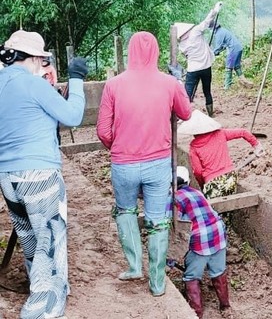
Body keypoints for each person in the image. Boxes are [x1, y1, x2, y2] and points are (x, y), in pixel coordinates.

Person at [96, 31, 192, 296]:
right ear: (157, 52)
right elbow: (186, 112)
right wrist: (179, 81)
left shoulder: (114, 84)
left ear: (130, 51)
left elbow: (103, 130)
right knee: (158, 221)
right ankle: (158, 283)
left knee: (125, 211)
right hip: (159, 164)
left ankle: (134, 265)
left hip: (123, 164)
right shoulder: (169, 83)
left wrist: (117, 147)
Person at [0, 30, 88, 318]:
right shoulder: (33, 84)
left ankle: (42, 284)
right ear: (37, 58)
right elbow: (73, 116)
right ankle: (42, 307)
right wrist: (76, 79)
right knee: (49, 239)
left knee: (29, 236)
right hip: (39, 175)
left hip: (7, 177)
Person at [174, 166, 230, 318]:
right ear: (187, 181)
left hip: (200, 240)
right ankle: (225, 306)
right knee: (218, 271)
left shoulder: (174, 199)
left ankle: (196, 313)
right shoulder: (197, 192)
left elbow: (175, 226)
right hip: (218, 233)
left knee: (191, 277)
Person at [178, 110, 264, 198]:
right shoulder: (220, 133)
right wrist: (256, 145)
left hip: (212, 183)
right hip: (230, 179)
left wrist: (202, 184)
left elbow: (198, 171)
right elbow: (243, 132)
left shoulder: (194, 146)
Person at [175, 1, 223, 117]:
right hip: (206, 67)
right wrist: (216, 9)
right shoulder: (196, 31)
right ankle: (210, 113)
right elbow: (207, 21)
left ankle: (184, 114)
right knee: (207, 90)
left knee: (188, 93)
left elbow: (186, 56)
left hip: (192, 70)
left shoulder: (182, 45)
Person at [210, 22, 254, 89]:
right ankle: (245, 82)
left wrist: (212, 53)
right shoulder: (223, 30)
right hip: (238, 48)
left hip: (233, 49)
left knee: (228, 68)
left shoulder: (219, 34)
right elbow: (223, 46)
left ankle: (227, 86)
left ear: (213, 28)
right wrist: (217, 51)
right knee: (236, 66)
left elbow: (218, 47)